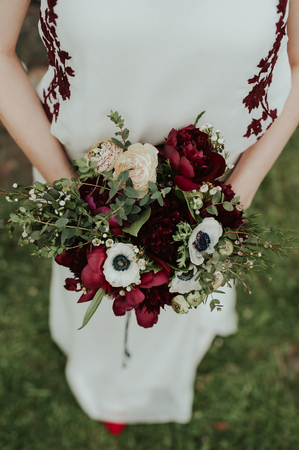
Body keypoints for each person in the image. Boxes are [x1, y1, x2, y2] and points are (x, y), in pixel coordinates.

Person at [1, 0, 299, 433]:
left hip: (209, 199)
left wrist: (236, 196)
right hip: (78, 182)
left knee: (182, 301)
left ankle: (159, 371)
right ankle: (109, 385)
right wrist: (76, 200)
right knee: (97, 304)